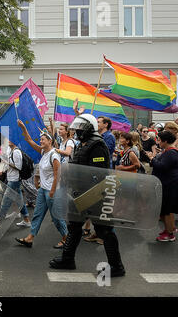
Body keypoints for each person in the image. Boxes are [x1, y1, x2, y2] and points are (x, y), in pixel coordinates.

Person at [49, 113, 126, 277]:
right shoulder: (83, 144)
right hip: (81, 194)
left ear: (88, 129)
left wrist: (82, 188)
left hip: (95, 195)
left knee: (104, 230)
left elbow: (96, 174)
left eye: (80, 128)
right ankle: (68, 259)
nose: (77, 131)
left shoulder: (97, 144)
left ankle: (117, 266)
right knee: (74, 227)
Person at [15, 121, 67, 249]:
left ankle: (66, 238)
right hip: (43, 190)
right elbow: (29, 140)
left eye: (43, 140)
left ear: (50, 141)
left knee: (56, 217)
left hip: (51, 191)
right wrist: (24, 128)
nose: (41, 141)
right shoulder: (44, 152)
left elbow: (57, 175)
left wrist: (52, 191)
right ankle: (30, 238)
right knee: (37, 214)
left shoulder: (54, 155)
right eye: (41, 140)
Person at [148, 131, 178, 242]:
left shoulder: (171, 153)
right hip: (166, 183)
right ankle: (168, 229)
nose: (158, 142)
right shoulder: (168, 151)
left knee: (167, 210)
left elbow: (162, 166)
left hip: (169, 184)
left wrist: (152, 159)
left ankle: (170, 233)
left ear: (165, 141)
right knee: (164, 209)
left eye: (159, 140)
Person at [0, 140, 31, 228]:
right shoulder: (10, 150)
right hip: (11, 178)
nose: (9, 141)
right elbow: (9, 165)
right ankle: (26, 220)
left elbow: (19, 167)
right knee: (19, 201)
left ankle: (0, 221)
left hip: (14, 180)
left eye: (11, 140)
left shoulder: (16, 152)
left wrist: (7, 162)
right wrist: (3, 168)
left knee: (5, 200)